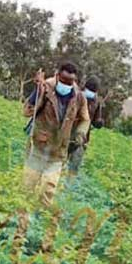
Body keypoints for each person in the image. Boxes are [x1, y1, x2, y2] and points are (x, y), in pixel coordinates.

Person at [23, 62, 90, 205]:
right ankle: (20, 213)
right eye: (64, 80)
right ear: (57, 75)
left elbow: (85, 120)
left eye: (70, 82)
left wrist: (79, 134)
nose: (66, 84)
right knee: (28, 184)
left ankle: (39, 219)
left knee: (48, 189)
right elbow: (27, 111)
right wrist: (37, 91)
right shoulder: (45, 87)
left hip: (59, 150)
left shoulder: (79, 97)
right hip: (39, 145)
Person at [66, 76, 105, 177]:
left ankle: (68, 188)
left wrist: (99, 123)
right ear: (85, 87)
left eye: (93, 90)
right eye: (89, 89)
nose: (90, 92)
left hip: (82, 139)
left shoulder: (96, 102)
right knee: (59, 160)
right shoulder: (75, 95)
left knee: (74, 166)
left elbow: (96, 120)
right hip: (67, 133)